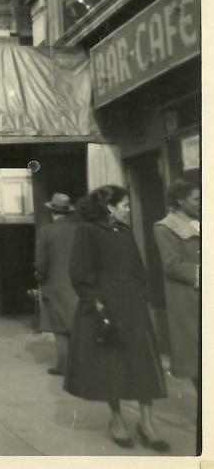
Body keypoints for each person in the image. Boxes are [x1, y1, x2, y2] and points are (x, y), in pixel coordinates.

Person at [64, 185, 169, 451]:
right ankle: (117, 420)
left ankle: (147, 423)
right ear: (110, 207)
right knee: (111, 367)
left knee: (143, 364)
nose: (129, 209)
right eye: (125, 204)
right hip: (105, 309)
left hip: (133, 308)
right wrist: (97, 305)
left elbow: (138, 268)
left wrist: (140, 294)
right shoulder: (87, 231)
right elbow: (79, 274)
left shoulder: (124, 231)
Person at [153, 179, 200, 392]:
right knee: (199, 362)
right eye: (197, 199)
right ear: (180, 200)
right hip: (192, 299)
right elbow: (172, 265)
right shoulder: (166, 227)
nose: (202, 202)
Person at [34, 193, 80, 376]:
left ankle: (64, 365)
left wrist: (40, 277)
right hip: (77, 285)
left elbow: (41, 261)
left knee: (60, 328)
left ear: (52, 211)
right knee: (78, 325)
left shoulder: (45, 231)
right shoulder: (79, 229)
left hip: (54, 286)